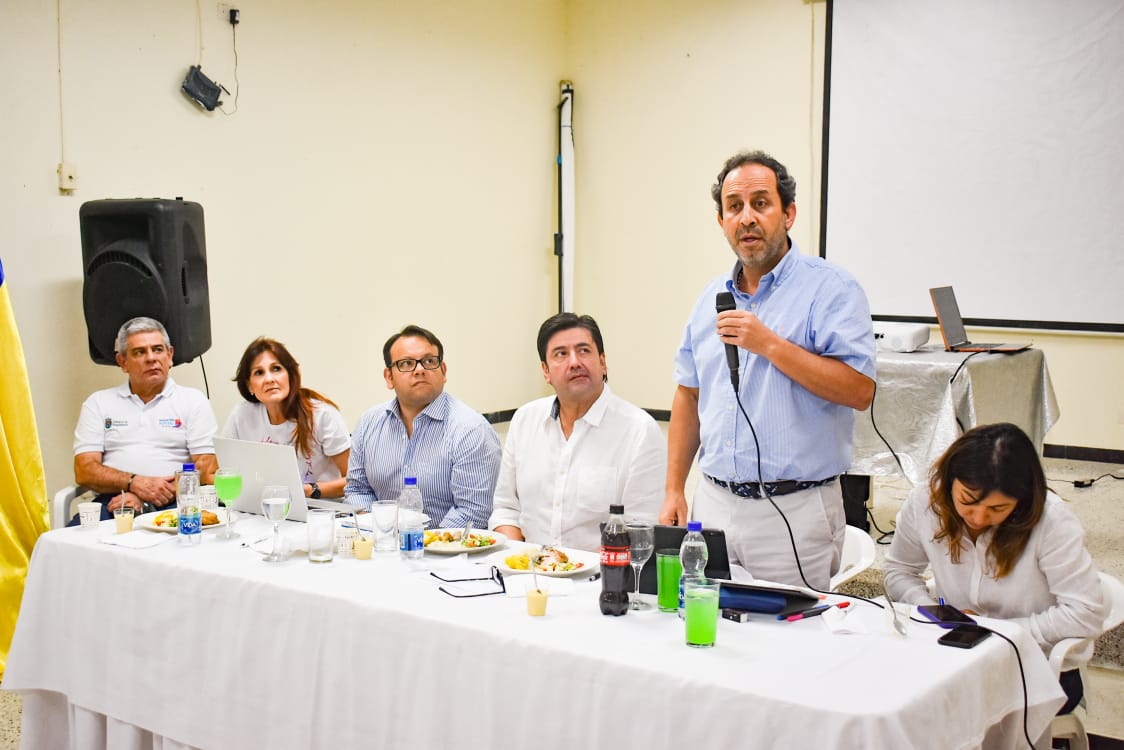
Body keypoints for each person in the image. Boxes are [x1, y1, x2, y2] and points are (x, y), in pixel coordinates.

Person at [658, 150, 876, 589]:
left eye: (761, 203)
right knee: (709, 630)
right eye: (734, 207)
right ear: (721, 222)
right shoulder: (709, 298)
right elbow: (689, 393)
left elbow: (859, 391)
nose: (747, 218)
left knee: (791, 646)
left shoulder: (831, 290)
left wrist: (771, 345)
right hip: (714, 504)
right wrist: (675, 488)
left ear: (789, 213)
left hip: (795, 508)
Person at [883, 423, 1106, 715]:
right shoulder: (927, 502)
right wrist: (936, 612)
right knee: (888, 694)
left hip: (1034, 664)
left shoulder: (1052, 522)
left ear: (1023, 498)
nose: (978, 518)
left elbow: (1086, 614)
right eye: (966, 501)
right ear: (950, 480)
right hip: (953, 651)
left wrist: (995, 631)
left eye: (997, 509)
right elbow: (898, 571)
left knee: (939, 711)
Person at [489, 313, 666, 552]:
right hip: (527, 575)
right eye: (561, 354)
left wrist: (573, 568)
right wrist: (521, 561)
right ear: (546, 371)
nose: (574, 362)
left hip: (601, 579)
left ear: (602, 362)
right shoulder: (524, 420)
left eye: (583, 351)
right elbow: (506, 510)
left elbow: (641, 530)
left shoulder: (639, 431)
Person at [345, 324, 500, 528]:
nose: (420, 370)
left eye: (429, 361)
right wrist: (380, 532)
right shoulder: (369, 423)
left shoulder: (471, 429)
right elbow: (357, 491)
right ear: (389, 377)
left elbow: (474, 511)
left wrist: (419, 545)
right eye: (407, 363)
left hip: (448, 554)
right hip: (381, 546)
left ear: (443, 371)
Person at [71, 317, 217, 523]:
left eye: (157, 349)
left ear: (170, 355)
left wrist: (149, 495)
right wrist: (133, 484)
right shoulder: (98, 403)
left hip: (177, 500)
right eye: (140, 352)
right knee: (72, 540)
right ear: (123, 362)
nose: (151, 358)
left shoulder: (193, 401)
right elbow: (84, 470)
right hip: (115, 500)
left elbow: (206, 468)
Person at [222, 337, 350, 498]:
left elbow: (355, 481)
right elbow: (221, 473)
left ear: (290, 375)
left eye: (276, 369)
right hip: (262, 511)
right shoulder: (240, 415)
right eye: (259, 372)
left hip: (321, 511)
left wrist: (310, 491)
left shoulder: (322, 415)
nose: (269, 379)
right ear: (249, 386)